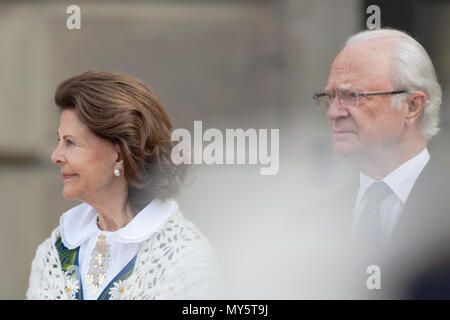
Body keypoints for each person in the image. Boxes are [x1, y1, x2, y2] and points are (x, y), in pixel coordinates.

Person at [27, 71, 220, 300]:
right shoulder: (54, 251)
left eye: (71, 142)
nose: (56, 156)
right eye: (59, 141)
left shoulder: (185, 257)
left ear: (119, 154)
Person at [288, 28, 450, 298]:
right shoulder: (305, 226)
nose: (333, 112)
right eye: (330, 97)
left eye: (353, 96)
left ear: (411, 106)